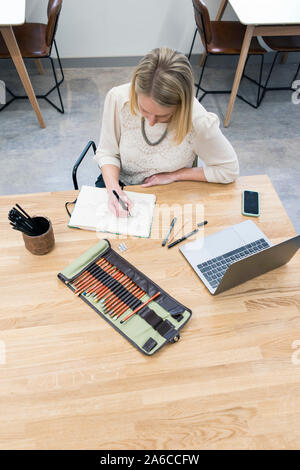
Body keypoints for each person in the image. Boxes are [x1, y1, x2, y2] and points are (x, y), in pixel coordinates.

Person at [94, 47, 239, 217]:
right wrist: (113, 190)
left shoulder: (198, 121)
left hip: (170, 191)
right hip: (120, 183)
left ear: (181, 106)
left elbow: (228, 169)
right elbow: (108, 152)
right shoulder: (119, 99)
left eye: (163, 116)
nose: (152, 122)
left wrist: (175, 175)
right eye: (144, 110)